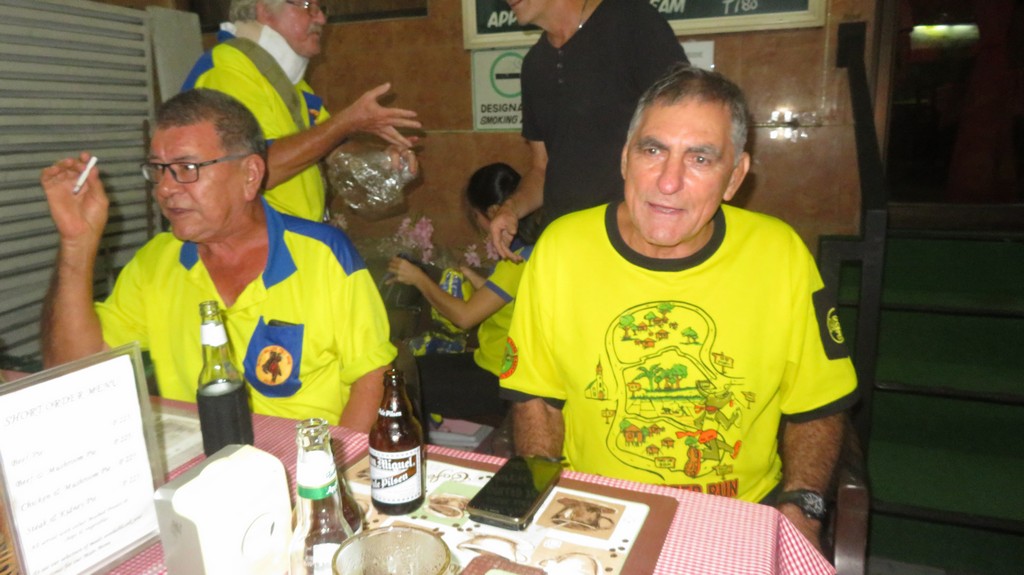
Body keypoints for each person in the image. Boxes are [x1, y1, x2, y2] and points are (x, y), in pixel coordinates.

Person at [499, 64, 859, 552]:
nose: (668, 182)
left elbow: (818, 404)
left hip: (736, 515)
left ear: (735, 178)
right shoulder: (560, 250)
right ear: (625, 159)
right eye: (653, 151)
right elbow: (535, 397)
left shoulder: (782, 257)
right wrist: (541, 504)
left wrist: (803, 509)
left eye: (700, 159)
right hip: (596, 510)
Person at [40, 89, 395, 432]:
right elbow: (71, 370)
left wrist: (332, 466)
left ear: (250, 175)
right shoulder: (155, 264)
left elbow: (372, 377)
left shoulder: (322, 256)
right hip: (201, 465)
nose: (165, 188)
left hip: (306, 461)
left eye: (187, 167)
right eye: (159, 169)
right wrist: (76, 243)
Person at [181, 0, 421, 221]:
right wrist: (347, 122)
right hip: (249, 243)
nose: (321, 19)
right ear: (264, 10)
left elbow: (333, 147)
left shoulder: (290, 82)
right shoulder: (227, 72)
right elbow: (259, 171)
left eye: (321, 8)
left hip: (285, 236)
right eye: (307, 5)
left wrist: (382, 161)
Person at [488, 0, 689, 260]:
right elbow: (541, 168)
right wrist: (511, 208)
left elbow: (688, 125)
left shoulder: (631, 21)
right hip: (568, 247)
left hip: (634, 245)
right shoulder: (533, 65)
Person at [386, 163, 531, 421]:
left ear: (493, 213)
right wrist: (478, 281)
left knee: (403, 380)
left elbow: (464, 317)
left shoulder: (516, 260)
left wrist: (418, 278)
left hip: (504, 378)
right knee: (415, 370)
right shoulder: (530, 249)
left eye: (476, 216)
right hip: (497, 365)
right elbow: (515, 301)